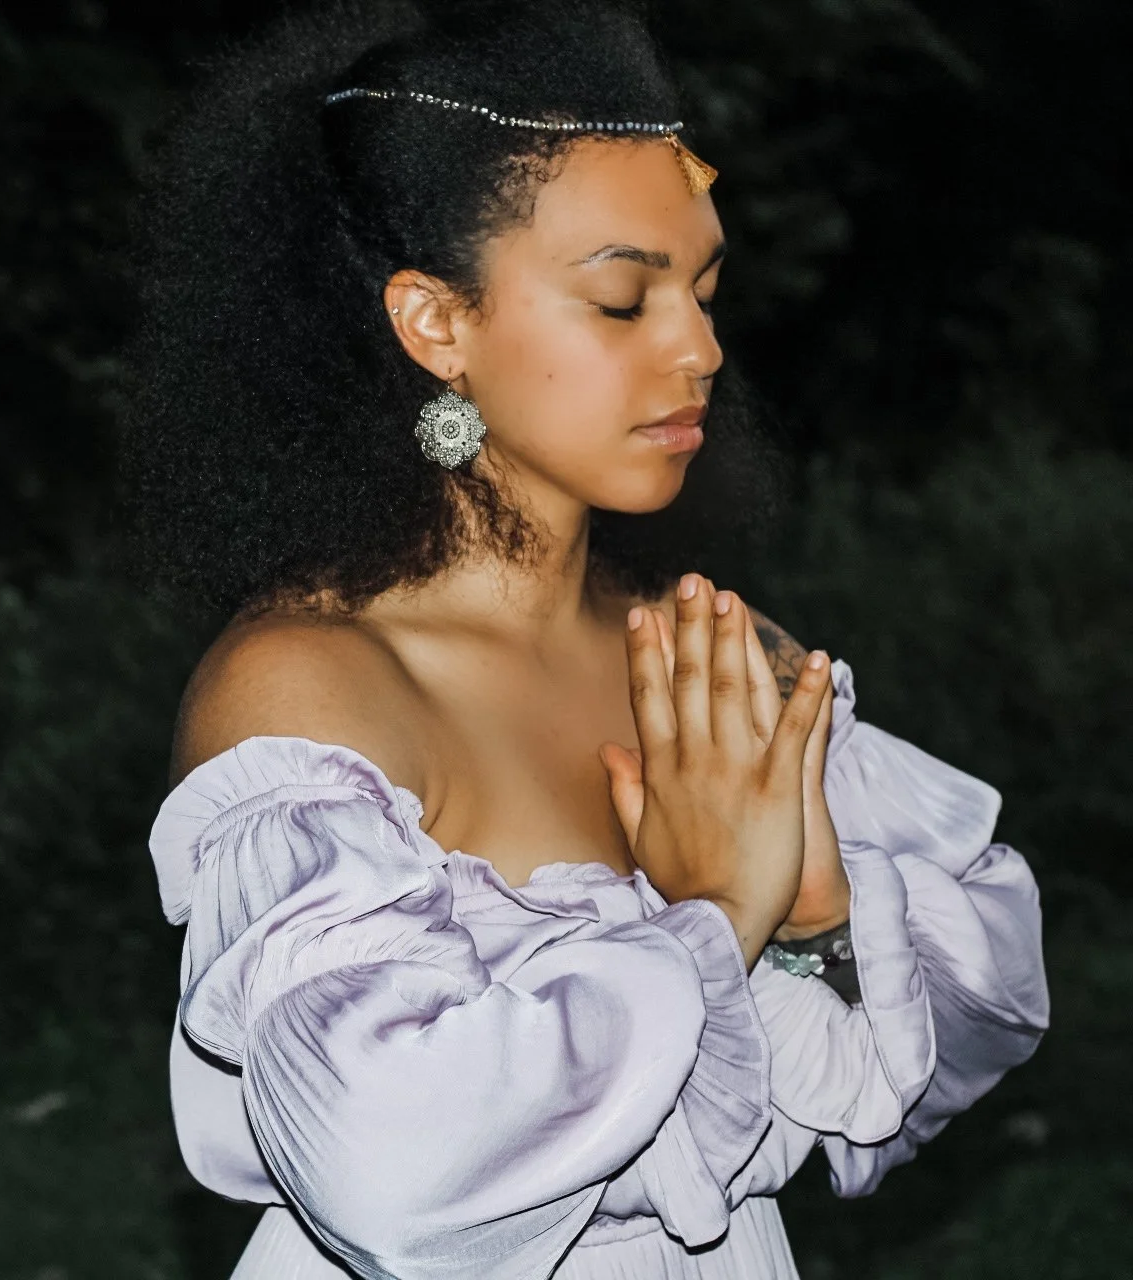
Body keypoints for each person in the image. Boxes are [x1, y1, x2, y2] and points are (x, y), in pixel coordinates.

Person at [119, 1, 1051, 1276]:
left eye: (706, 290)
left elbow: (982, 1010)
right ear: (435, 324)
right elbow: (391, 1166)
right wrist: (720, 911)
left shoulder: (705, 656)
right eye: (624, 301)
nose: (701, 348)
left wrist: (821, 909)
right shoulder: (311, 690)